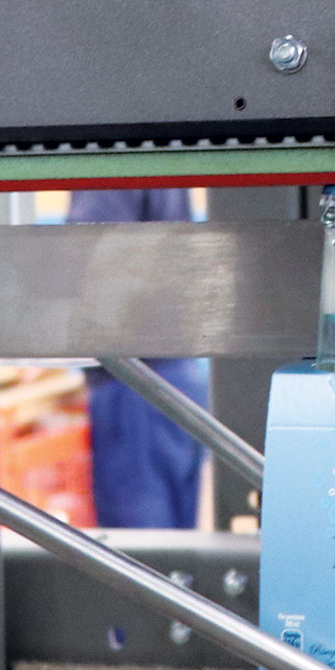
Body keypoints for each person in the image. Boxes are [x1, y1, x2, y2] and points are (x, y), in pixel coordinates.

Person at [69, 189, 210, 527]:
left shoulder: (103, 166)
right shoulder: (163, 164)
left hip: (135, 385)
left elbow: (96, 258)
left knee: (138, 549)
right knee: (174, 545)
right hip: (177, 374)